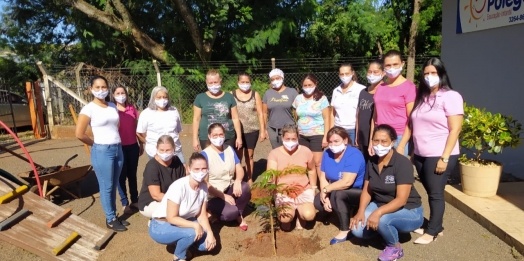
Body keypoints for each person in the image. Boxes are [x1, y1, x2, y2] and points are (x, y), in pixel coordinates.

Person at [410, 58, 463, 244]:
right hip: (420, 154)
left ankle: (432, 232)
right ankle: (436, 225)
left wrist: (445, 157)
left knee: (436, 193)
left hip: (439, 154)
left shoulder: (451, 96)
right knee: (431, 190)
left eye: (433, 73)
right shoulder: (422, 97)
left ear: (441, 74)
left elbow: (455, 129)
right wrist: (412, 152)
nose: (429, 77)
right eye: (426, 73)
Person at [350, 124, 423, 261]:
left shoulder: (402, 163)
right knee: (357, 230)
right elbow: (367, 189)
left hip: (409, 210)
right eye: (376, 141)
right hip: (381, 203)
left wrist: (377, 213)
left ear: (393, 142)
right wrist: (360, 210)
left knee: (383, 220)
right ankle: (384, 231)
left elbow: (401, 199)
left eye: (384, 141)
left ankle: (394, 247)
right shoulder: (372, 161)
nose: (379, 145)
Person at [75, 75, 127, 231]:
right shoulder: (88, 109)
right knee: (107, 186)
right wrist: (95, 144)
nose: (101, 90)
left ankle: (114, 215)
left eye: (104, 87)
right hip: (102, 150)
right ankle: (110, 218)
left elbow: (116, 125)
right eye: (97, 87)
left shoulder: (112, 105)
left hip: (117, 148)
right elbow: (79, 133)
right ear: (91, 89)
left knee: (113, 183)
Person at [149, 152, 216, 261]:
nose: (201, 172)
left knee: (206, 246)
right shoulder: (179, 186)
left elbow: (202, 215)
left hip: (183, 220)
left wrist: (210, 233)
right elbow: (171, 218)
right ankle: (178, 256)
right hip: (161, 224)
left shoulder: (203, 187)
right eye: (197, 169)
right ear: (189, 169)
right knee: (192, 232)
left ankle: (179, 240)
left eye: (204, 169)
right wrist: (195, 226)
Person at [314, 127, 366, 245]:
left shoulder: (354, 154)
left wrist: (326, 190)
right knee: (318, 202)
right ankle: (344, 210)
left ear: (345, 140)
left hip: (357, 191)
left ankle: (345, 229)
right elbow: (323, 177)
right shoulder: (327, 153)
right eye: (330, 142)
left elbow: (346, 182)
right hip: (336, 188)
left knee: (338, 194)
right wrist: (325, 194)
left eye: (336, 141)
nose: (333, 145)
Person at [267, 124, 317, 231]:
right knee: (285, 219)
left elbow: (312, 169)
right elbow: (271, 174)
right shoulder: (274, 154)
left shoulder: (305, 151)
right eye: (287, 139)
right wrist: (271, 188)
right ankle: (291, 211)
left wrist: (313, 187)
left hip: (303, 189)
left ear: (298, 138)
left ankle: (300, 213)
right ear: (282, 138)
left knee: (309, 215)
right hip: (283, 191)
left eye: (293, 139)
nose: (290, 142)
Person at [201, 123, 250, 230]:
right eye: (215, 135)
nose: (218, 138)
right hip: (213, 195)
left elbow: (239, 168)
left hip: (229, 187)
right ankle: (213, 212)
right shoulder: (205, 155)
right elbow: (205, 183)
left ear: (224, 135)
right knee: (230, 213)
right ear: (209, 136)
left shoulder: (229, 149)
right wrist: (223, 196)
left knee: (245, 187)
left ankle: (239, 215)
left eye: (221, 135)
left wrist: (237, 180)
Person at [369, 50, 416, 157]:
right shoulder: (380, 87)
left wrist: (402, 145)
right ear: (384, 67)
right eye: (388, 65)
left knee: (397, 172)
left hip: (398, 137)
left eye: (395, 64)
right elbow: (374, 117)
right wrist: (372, 140)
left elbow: (411, 119)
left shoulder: (409, 87)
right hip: (380, 137)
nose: (392, 68)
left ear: (402, 64)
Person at [138, 135, 186, 222]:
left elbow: (183, 183)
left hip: (171, 199)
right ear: (157, 149)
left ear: (174, 149)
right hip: (151, 202)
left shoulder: (176, 161)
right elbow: (156, 195)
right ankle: (155, 224)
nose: (165, 153)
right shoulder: (152, 166)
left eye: (168, 150)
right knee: (177, 211)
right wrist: (177, 202)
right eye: (161, 150)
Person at [192, 69, 242, 151]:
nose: (213, 85)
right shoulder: (200, 98)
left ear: (220, 81)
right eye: (210, 83)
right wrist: (194, 139)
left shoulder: (229, 97)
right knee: (210, 162)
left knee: (228, 161)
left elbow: (235, 118)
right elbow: (196, 119)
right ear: (206, 82)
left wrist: (239, 137)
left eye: (215, 82)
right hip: (206, 137)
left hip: (227, 136)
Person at [112, 85, 143, 214]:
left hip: (132, 146)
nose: (121, 95)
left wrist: (141, 144)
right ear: (113, 95)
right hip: (119, 147)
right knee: (121, 176)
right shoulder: (111, 109)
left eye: (123, 92)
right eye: (118, 93)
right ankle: (125, 203)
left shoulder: (132, 108)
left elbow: (137, 128)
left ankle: (135, 200)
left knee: (132, 175)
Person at [293, 73, 330, 179]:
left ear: (315, 84)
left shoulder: (322, 99)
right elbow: (296, 115)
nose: (308, 87)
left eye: (310, 85)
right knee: (305, 161)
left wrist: (325, 136)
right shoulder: (298, 98)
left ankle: (322, 184)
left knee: (318, 162)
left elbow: (327, 118)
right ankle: (309, 183)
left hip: (317, 134)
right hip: (302, 134)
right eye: (305, 85)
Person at [231, 72, 265, 186]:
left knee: (249, 155)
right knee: (238, 156)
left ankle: (250, 177)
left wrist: (263, 130)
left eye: (247, 82)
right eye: (242, 82)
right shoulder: (232, 94)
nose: (245, 84)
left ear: (250, 82)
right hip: (237, 131)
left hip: (252, 130)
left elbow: (260, 113)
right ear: (238, 82)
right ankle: (237, 178)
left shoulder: (255, 94)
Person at [136, 86, 184, 163]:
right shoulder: (146, 113)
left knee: (182, 172)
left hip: (176, 150)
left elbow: (177, 130)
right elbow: (139, 132)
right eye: (159, 97)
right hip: (155, 152)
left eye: (165, 97)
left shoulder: (174, 111)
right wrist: (148, 142)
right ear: (153, 98)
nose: (162, 100)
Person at [356, 60, 385, 162]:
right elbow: (359, 114)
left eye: (375, 72)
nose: (372, 74)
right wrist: (357, 135)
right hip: (362, 135)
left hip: (375, 136)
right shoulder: (363, 92)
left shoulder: (384, 91)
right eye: (369, 71)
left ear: (383, 73)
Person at [330, 63, 366, 145]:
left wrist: (358, 133)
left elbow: (362, 113)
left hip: (353, 130)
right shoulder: (336, 91)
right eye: (342, 74)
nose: (344, 76)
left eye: (347, 73)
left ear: (352, 73)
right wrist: (331, 130)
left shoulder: (361, 89)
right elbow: (333, 112)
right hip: (338, 129)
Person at [262, 68, 299, 149]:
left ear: (282, 78)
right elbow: (264, 112)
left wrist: (298, 125)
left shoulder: (292, 92)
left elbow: (297, 111)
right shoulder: (268, 93)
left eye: (277, 78)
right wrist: (264, 129)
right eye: (272, 79)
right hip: (272, 129)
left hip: (289, 128)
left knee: (290, 150)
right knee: (277, 152)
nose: (275, 81)